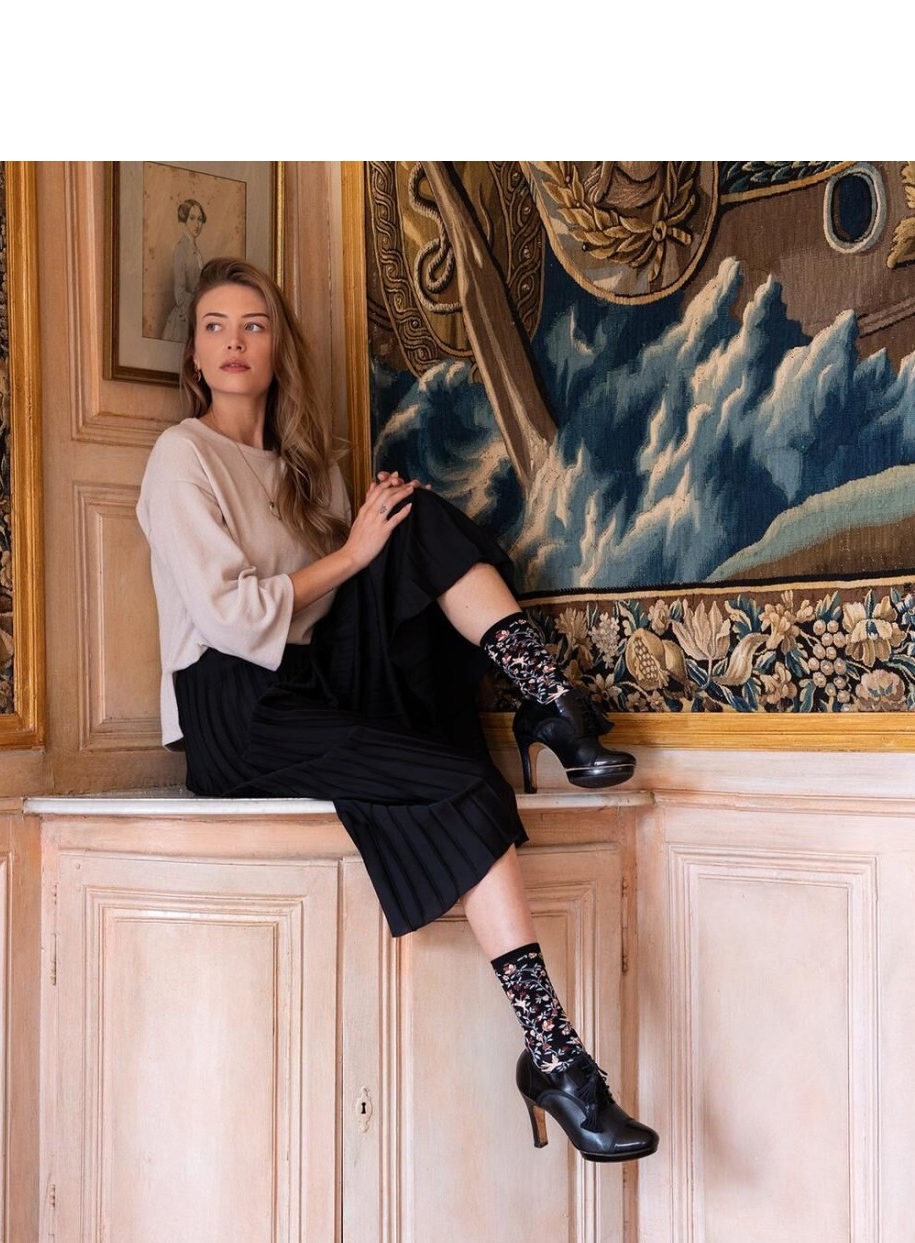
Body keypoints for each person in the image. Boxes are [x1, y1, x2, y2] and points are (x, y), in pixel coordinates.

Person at [136, 256, 658, 1165]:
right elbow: (230, 618)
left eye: (254, 324)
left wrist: (365, 542)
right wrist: (349, 555)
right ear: (194, 356)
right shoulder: (181, 457)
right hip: (234, 711)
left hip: (310, 681)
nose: (234, 342)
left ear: (277, 347)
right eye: (215, 326)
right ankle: (557, 1058)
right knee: (461, 781)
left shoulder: (310, 471)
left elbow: (343, 605)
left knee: (408, 514)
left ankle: (549, 700)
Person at [160, 200, 206, 342]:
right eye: (192, 218)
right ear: (184, 220)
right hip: (184, 316)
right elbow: (179, 294)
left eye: (199, 219)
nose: (197, 224)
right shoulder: (181, 249)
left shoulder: (196, 252)